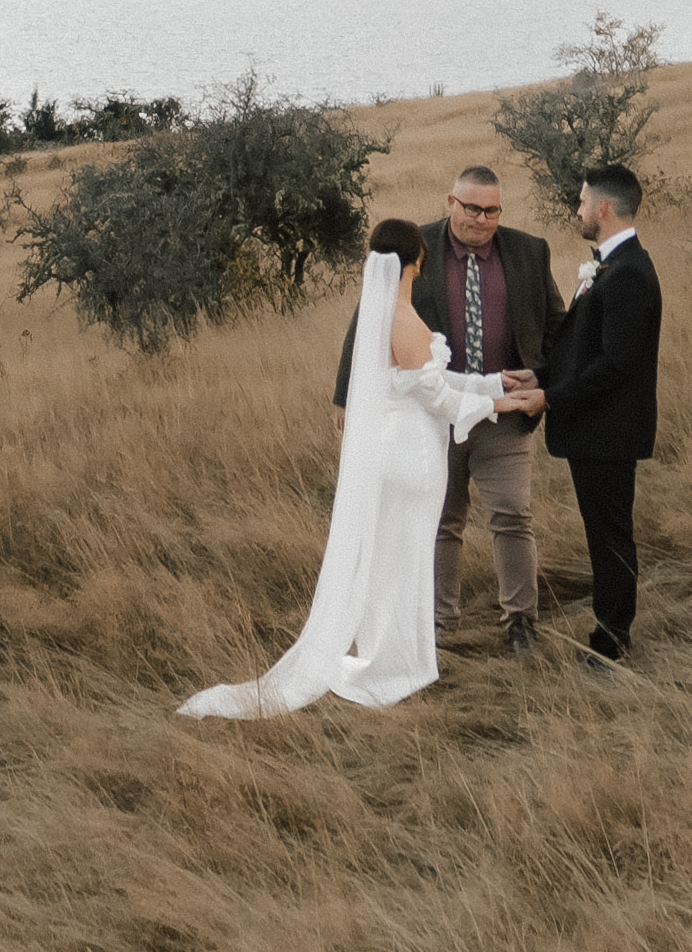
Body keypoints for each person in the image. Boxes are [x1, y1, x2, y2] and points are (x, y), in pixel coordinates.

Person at [181, 222, 512, 718]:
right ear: (416, 262)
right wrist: (498, 406)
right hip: (411, 459)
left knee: (389, 564)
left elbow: (428, 378)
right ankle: (390, 669)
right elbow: (437, 397)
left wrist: (492, 384)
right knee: (403, 565)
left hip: (393, 454)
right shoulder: (403, 317)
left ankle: (391, 661)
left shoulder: (384, 317)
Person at [333, 165, 558, 656]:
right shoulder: (416, 248)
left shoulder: (528, 251)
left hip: (508, 416)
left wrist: (540, 378)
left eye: (492, 210)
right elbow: (367, 319)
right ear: (451, 202)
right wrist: (347, 395)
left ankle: (522, 623)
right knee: (440, 521)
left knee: (513, 515)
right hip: (432, 420)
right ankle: (438, 626)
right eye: (472, 208)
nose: (482, 218)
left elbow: (556, 325)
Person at [531, 164, 662, 662]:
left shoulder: (628, 274)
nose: (578, 209)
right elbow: (582, 350)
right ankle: (610, 632)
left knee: (609, 538)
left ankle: (612, 640)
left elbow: (614, 366)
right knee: (604, 533)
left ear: (604, 207)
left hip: (608, 433)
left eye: (583, 201)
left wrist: (550, 399)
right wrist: (540, 379)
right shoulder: (611, 266)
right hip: (596, 431)